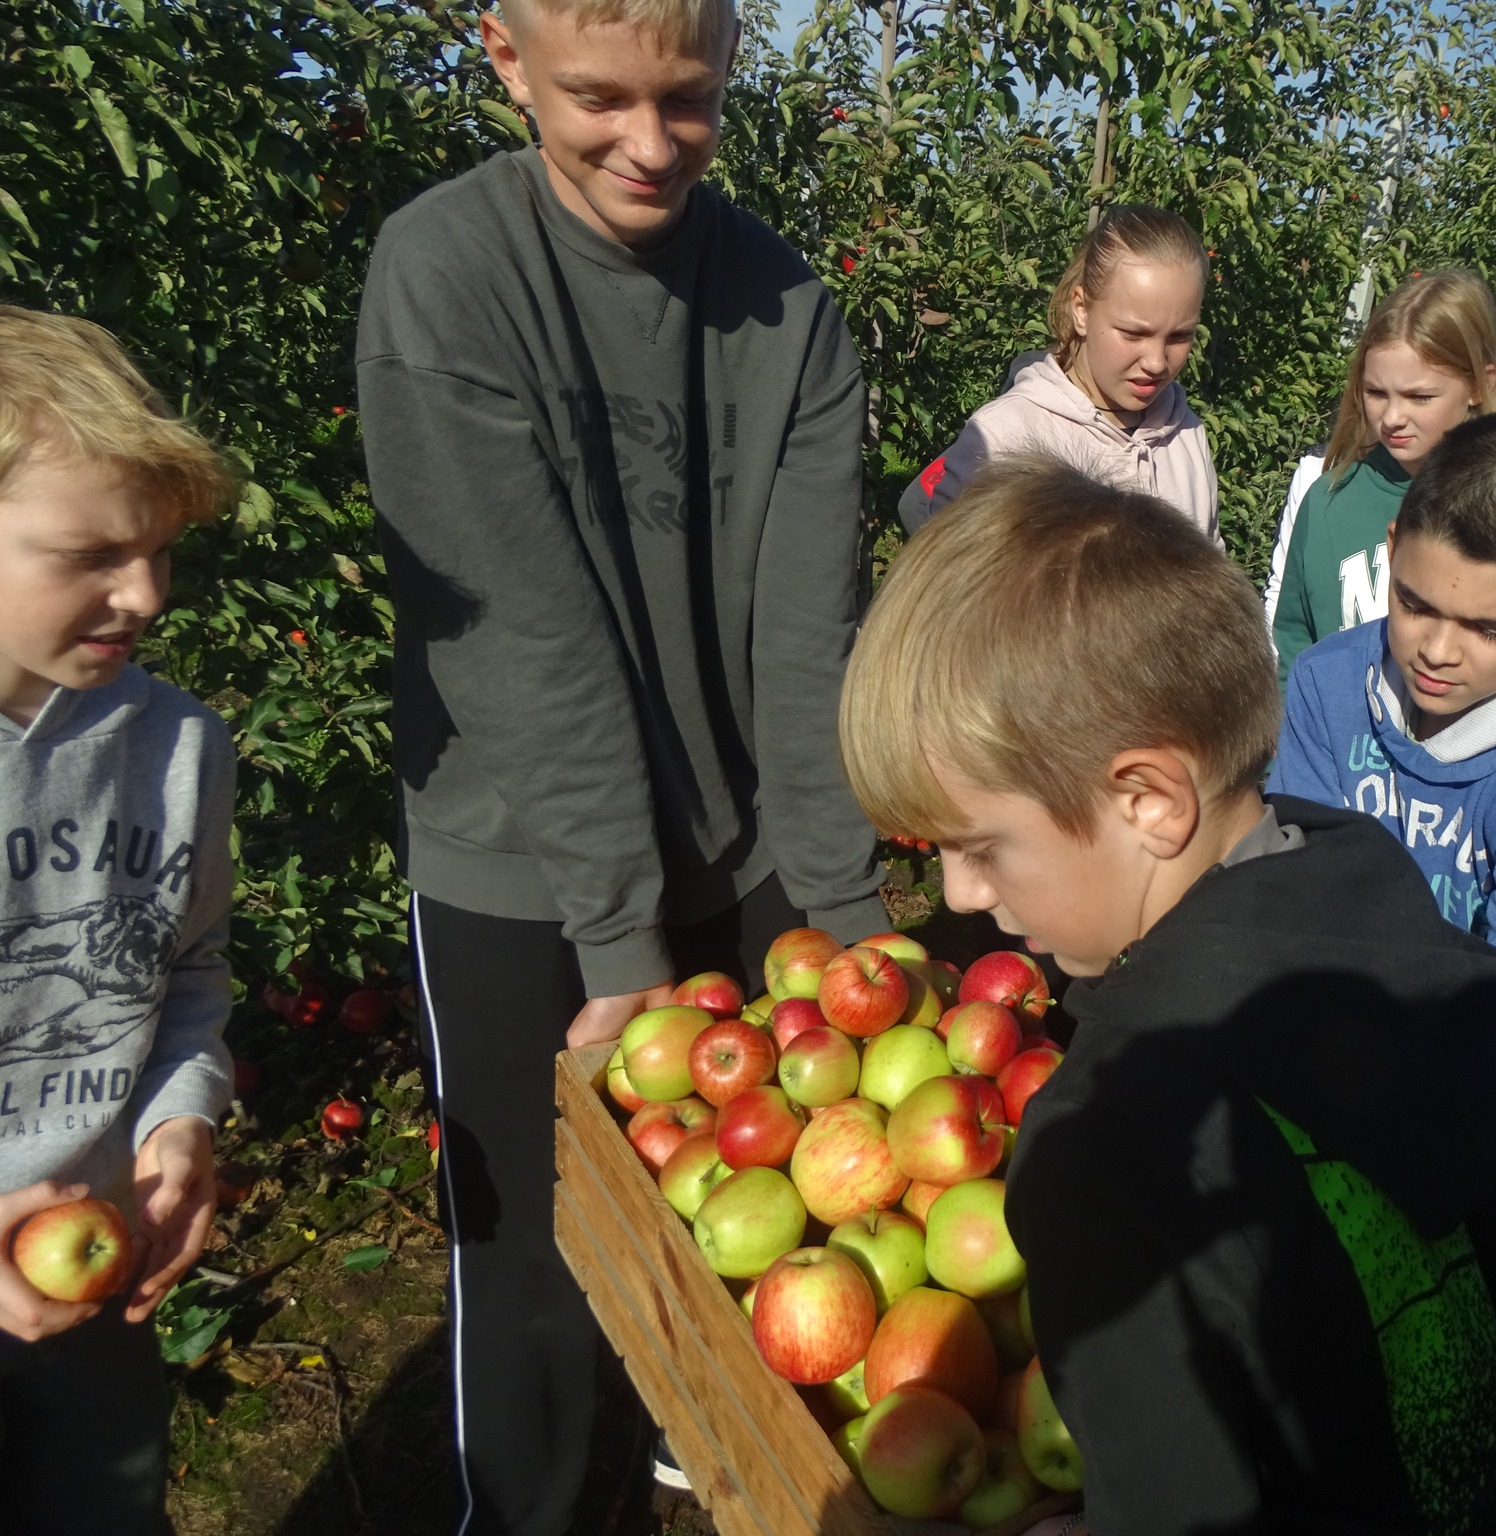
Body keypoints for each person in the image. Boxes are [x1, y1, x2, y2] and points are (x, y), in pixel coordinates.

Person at [354, 0, 888, 1524]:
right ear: (504, 57)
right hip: (524, 862)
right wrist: (615, 936)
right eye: (600, 98)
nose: (650, 144)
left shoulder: (789, 307)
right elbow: (524, 640)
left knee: (749, 1250)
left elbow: (808, 639)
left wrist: (844, 921)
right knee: (525, 1269)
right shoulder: (448, 276)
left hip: (743, 844)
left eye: (693, 98)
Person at [840, 456, 1496, 1535]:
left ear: (1146, 800)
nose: (957, 893)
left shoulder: (1106, 1147)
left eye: (978, 846)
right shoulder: (1365, 892)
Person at [1267, 414, 1496, 1424]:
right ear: (1388, 554)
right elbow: (1290, 886)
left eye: (1487, 628)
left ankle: (1478, 1446)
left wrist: (1443, 1191)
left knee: (1490, 1286)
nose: (1435, 649)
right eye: (1415, 604)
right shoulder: (1329, 686)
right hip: (1374, 1003)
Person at [0, 306, 237, 1533]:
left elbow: (187, 974)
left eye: (155, 551)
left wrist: (178, 1127)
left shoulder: (177, 748)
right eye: (89, 555)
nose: (143, 592)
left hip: (97, 1277)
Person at [1268, 268, 1496, 681]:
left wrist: (1478, 342)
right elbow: (1293, 646)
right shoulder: (1327, 500)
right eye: (1376, 393)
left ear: (1480, 386)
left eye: (1420, 396)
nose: (1392, 417)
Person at [896, 206, 1219, 544]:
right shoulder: (1007, 435)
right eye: (1133, 334)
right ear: (1082, 311)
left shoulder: (1187, 434)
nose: (1156, 361)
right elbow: (932, 538)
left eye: (1180, 336)